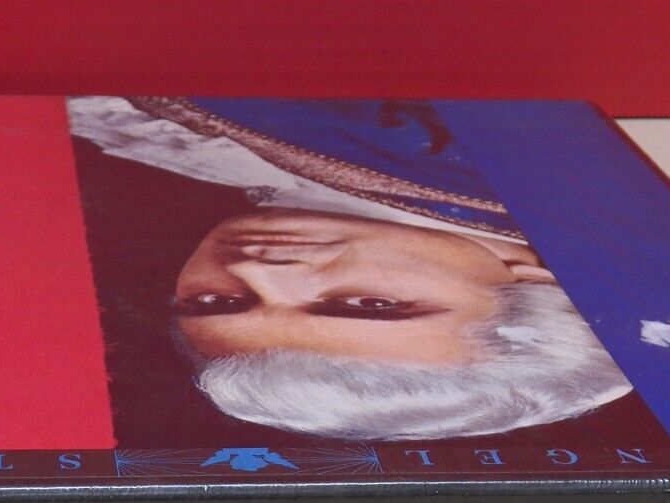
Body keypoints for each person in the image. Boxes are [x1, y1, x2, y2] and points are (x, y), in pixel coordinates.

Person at [68, 96, 631, 441]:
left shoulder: (271, 188)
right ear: (533, 278)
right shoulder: (462, 151)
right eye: (368, 304)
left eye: (217, 303)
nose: (256, 272)